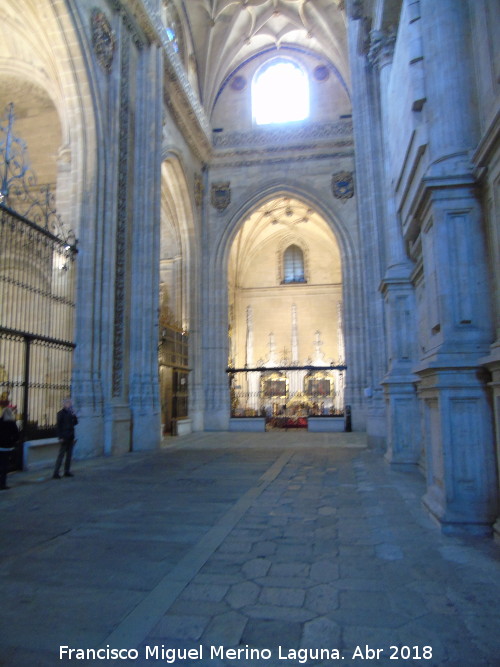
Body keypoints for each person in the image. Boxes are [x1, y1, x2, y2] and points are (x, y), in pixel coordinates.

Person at [53, 398, 78, 479]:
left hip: (70, 436)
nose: (69, 404)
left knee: (69, 456)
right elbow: (58, 426)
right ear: (64, 404)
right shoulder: (60, 413)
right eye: (68, 403)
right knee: (61, 455)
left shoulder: (71, 413)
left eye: (70, 403)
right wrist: (60, 437)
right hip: (64, 436)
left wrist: (74, 415)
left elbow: (75, 423)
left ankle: (66, 471)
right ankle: (56, 472)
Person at [0, 407, 20, 490]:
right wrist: (12, 442)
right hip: (7, 447)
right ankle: (2, 484)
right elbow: (16, 435)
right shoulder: (12, 423)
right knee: (4, 466)